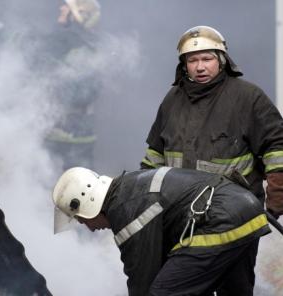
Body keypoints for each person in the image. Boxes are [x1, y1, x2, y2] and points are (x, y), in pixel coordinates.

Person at [140, 26, 283, 294]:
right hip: (183, 219)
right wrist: (144, 200)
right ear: (184, 65)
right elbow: (154, 157)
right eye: (192, 60)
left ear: (222, 60)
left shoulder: (248, 97)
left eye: (207, 58)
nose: (200, 66)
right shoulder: (171, 101)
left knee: (235, 289)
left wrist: (277, 198)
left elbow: (277, 148)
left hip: (236, 219)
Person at [52, 166, 271, 295]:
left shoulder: (125, 212)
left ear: (88, 202)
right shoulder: (129, 187)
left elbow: (142, 282)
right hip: (246, 210)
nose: (85, 226)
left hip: (221, 221)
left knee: (162, 292)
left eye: (80, 219)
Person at [44, 0, 101, 170]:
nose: (61, 8)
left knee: (53, 186)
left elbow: (33, 53)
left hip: (63, 132)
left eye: (66, 7)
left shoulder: (66, 39)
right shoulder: (90, 42)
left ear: (77, 15)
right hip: (82, 131)